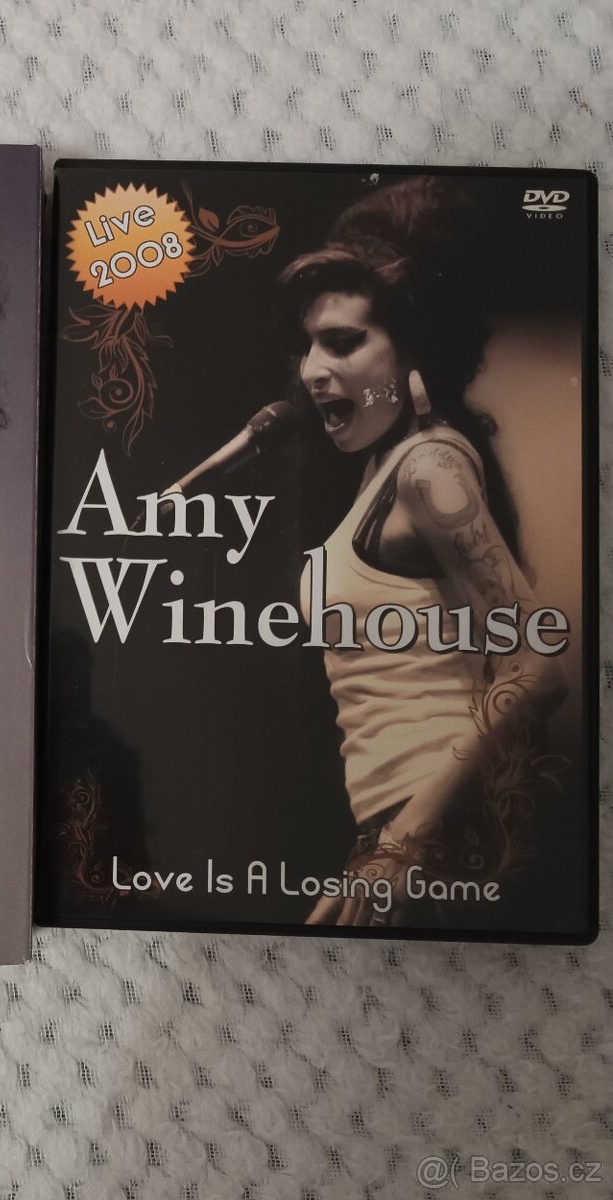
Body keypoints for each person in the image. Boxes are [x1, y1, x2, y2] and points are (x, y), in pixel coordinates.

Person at [280, 176, 566, 928]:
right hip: (398, 826)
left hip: (435, 824)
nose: (312, 369)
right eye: (308, 344)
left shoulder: (429, 465)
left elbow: (538, 668)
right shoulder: (381, 470)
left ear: (416, 347)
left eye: (343, 342)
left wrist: (404, 842)